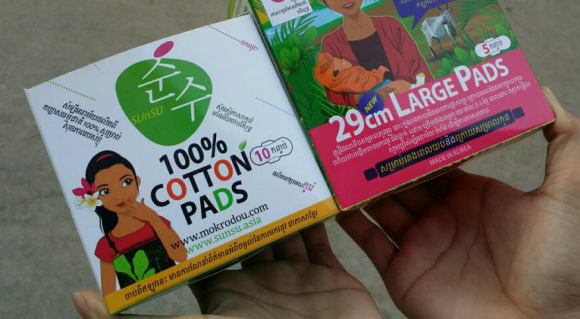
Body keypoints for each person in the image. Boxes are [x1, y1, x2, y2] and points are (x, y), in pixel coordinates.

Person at [72, 87, 580, 318]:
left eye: (127, 181)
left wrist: (534, 310)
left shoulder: (156, 217)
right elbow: (129, 281)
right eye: (109, 188)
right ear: (96, 194)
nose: (122, 193)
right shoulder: (108, 241)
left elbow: (177, 253)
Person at [310, 0, 433, 107]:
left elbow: (419, 68)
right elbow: (333, 92)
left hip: (415, 103)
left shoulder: (390, 26)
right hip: (375, 115)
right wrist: (371, 97)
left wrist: (414, 92)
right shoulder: (332, 43)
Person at [80, 151, 187, 296]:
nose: (119, 195)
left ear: (137, 181)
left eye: (126, 182)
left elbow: (181, 256)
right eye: (105, 191)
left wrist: (153, 218)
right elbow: (110, 296)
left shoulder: (156, 222)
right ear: (96, 198)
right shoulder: (106, 244)